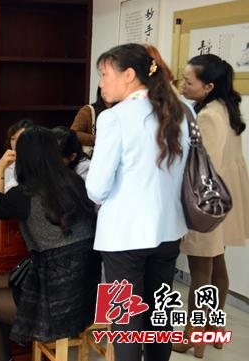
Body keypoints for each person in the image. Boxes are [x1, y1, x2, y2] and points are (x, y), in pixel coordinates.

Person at [86, 43, 191, 361]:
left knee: (125, 321)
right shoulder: (181, 112)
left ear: (129, 75)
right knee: (160, 312)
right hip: (169, 230)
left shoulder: (114, 118)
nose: (101, 83)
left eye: (105, 74)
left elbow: (96, 188)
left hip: (124, 236)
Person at [0, 126, 100, 361]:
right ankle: (12, 346)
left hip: (57, 297)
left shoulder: (26, 193)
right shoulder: (73, 181)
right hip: (87, 289)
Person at [174, 54, 249, 357]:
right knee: (217, 263)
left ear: (208, 86)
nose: (182, 85)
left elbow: (203, 167)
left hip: (207, 202)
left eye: (188, 81)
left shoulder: (207, 116)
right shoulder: (226, 108)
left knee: (200, 271)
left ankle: (193, 336)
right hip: (227, 196)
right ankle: (214, 329)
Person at [70, 87, 112, 155]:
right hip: (93, 156)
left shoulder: (122, 111)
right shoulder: (88, 111)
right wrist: (99, 139)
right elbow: (74, 134)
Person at [3, 119, 33, 192]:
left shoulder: (36, 163)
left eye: (20, 138)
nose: (16, 143)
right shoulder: (7, 161)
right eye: (13, 139)